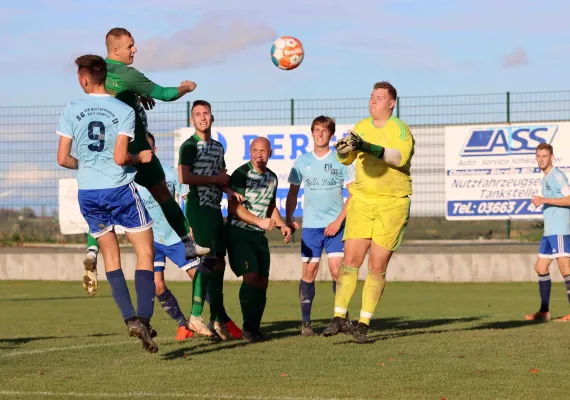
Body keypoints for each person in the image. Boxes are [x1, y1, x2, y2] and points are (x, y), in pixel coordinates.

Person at [56, 54, 158, 353]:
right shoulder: (122, 109)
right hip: (119, 189)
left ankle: (129, 319)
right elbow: (120, 158)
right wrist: (140, 157)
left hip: (89, 192)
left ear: (83, 79)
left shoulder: (72, 108)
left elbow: (62, 159)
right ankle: (145, 317)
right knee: (145, 253)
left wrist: (87, 165)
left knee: (111, 258)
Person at [104, 27, 209, 262]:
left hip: (110, 149)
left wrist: (135, 95)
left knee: (105, 200)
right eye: (130, 46)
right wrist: (186, 87)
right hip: (137, 147)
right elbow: (165, 93)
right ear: (116, 49)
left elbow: (106, 95)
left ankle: (93, 250)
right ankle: (187, 243)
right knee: (163, 194)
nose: (135, 49)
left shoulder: (99, 70)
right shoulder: (128, 74)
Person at [323, 81, 415, 343]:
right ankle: (339, 317)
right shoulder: (361, 127)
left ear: (391, 103)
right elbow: (347, 159)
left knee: (376, 265)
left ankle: (363, 323)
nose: (373, 101)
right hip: (362, 200)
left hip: (392, 203)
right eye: (372, 96)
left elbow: (398, 158)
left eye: (379, 97)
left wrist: (365, 146)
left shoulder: (401, 129)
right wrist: (343, 150)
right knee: (350, 260)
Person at [178, 100, 243, 340]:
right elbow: (184, 177)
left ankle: (217, 319)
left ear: (212, 118)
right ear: (192, 120)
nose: (203, 117)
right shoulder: (189, 146)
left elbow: (221, 177)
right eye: (198, 114)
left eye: (206, 113)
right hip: (199, 208)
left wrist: (229, 190)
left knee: (219, 265)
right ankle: (195, 315)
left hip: (216, 209)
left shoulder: (217, 147)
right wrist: (215, 181)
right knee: (206, 262)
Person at [285, 116, 355, 336]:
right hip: (311, 227)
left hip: (336, 225)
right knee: (310, 271)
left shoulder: (341, 160)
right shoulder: (302, 161)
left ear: (331, 134)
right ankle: (306, 323)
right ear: (312, 133)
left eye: (324, 130)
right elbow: (293, 193)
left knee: (337, 271)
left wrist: (338, 222)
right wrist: (288, 219)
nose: (320, 134)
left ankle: (342, 318)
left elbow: (353, 195)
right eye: (316, 130)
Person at [226, 137, 293, 342]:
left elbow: (271, 207)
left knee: (262, 282)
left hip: (258, 236)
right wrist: (259, 221)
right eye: (255, 150)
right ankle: (247, 327)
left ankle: (254, 327)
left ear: (270, 153)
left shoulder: (272, 177)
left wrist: (282, 225)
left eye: (263, 151)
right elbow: (234, 208)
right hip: (239, 233)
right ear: (249, 152)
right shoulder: (241, 174)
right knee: (251, 277)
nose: (258, 155)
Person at [136, 132, 197, 341]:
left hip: (178, 238)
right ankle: (183, 324)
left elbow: (187, 197)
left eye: (149, 146)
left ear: (155, 149)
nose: (146, 150)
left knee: (198, 277)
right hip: (152, 242)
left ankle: (215, 318)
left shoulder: (170, 174)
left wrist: (190, 225)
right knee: (157, 286)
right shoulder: (133, 181)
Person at [526, 143, 570, 322]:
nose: (541, 159)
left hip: (560, 230)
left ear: (552, 157)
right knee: (540, 268)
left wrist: (544, 199)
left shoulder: (557, 175)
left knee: (565, 268)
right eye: (538, 156)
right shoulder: (545, 179)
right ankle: (544, 311)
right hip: (549, 232)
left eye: (544, 156)